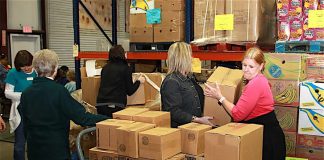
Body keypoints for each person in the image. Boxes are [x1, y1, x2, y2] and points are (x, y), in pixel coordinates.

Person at [20, 49, 108, 160]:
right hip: (56, 151)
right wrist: (108, 119)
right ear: (55, 69)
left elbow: (25, 124)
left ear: (35, 68)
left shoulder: (26, 93)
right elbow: (82, 118)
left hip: (34, 152)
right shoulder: (59, 91)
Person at [204, 47, 286, 160]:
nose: (246, 69)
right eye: (244, 65)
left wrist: (220, 97)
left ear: (261, 66)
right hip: (263, 134)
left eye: (251, 66)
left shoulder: (255, 84)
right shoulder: (258, 79)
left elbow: (237, 114)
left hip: (267, 140)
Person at [160, 42, 214, 128]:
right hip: (182, 131)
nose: (191, 58)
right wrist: (196, 119)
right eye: (190, 55)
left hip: (194, 127)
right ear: (183, 58)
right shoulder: (171, 82)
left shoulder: (189, 78)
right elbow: (172, 111)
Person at [5, 50, 37, 160]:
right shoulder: (13, 73)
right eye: (23, 67)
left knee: (37, 140)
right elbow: (7, 93)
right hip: (21, 110)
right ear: (18, 66)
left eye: (28, 65)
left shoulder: (37, 71)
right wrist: (25, 95)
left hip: (37, 109)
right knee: (20, 143)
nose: (27, 68)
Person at [96, 45, 145, 117]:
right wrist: (139, 81)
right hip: (116, 106)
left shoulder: (105, 68)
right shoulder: (125, 68)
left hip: (100, 105)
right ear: (123, 54)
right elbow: (130, 91)